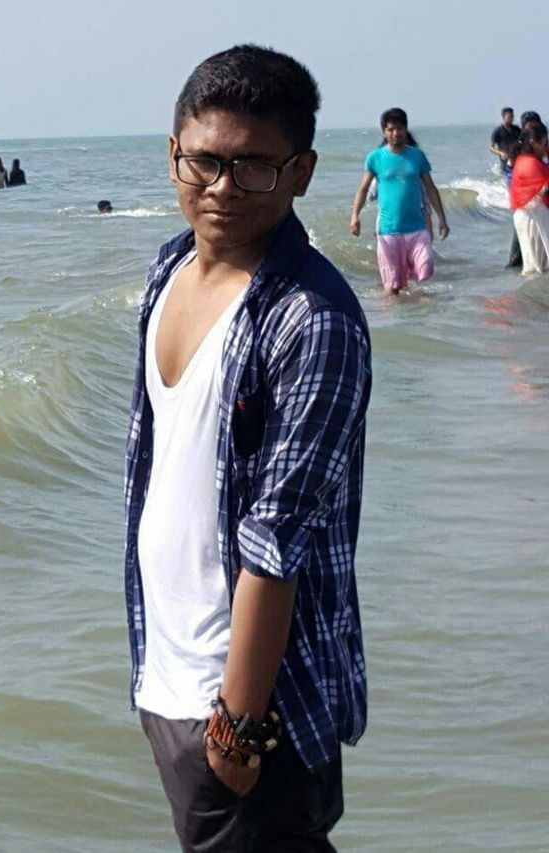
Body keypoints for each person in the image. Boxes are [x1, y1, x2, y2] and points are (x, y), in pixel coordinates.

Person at [124, 44, 371, 852]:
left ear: (301, 172)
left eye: (254, 167)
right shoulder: (168, 269)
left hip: (250, 707)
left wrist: (236, 728)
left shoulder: (314, 321)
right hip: (167, 670)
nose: (223, 188)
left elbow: (277, 537)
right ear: (174, 153)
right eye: (205, 162)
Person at [350, 108, 449, 294]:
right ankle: (397, 311)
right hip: (388, 231)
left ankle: (421, 307)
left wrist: (442, 218)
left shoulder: (417, 156)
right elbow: (363, 189)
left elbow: (430, 188)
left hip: (417, 228)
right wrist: (355, 216)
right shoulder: (375, 158)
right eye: (390, 129)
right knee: (393, 287)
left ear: (406, 129)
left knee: (426, 268)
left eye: (399, 129)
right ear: (384, 132)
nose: (395, 133)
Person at [509, 123, 549, 274]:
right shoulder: (529, 163)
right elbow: (545, 188)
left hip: (534, 216)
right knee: (535, 269)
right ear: (533, 142)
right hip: (532, 219)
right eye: (544, 142)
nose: (546, 146)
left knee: (538, 268)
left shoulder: (529, 160)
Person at [489, 108, 521, 173]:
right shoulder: (498, 131)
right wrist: (500, 153)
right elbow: (491, 147)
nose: (511, 119)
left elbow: (522, 140)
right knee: (506, 176)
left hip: (517, 158)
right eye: (509, 117)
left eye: (512, 116)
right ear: (503, 117)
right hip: (505, 159)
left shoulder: (517, 129)